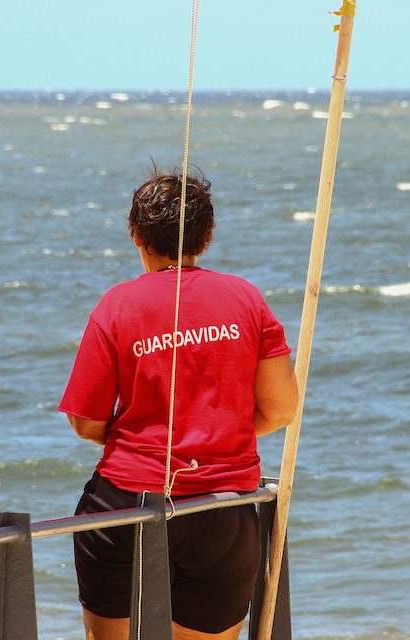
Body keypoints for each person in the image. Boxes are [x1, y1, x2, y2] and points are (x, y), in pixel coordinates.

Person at [59, 170, 299, 640]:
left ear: (135, 235)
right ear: (205, 238)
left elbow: (85, 422)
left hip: (125, 503)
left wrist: (141, 437)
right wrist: (214, 430)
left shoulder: (117, 304)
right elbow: (280, 410)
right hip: (222, 507)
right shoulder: (247, 299)